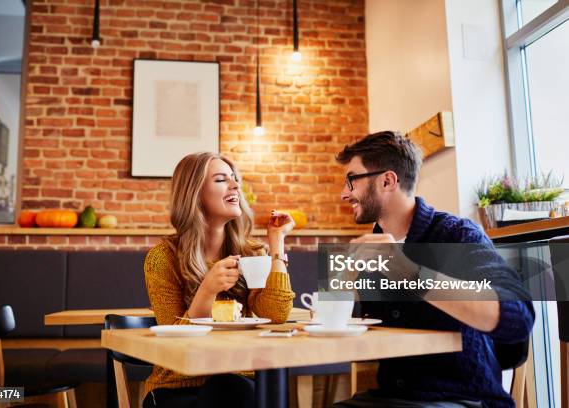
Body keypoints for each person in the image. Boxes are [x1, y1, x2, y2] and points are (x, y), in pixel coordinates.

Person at [333, 131, 534, 408]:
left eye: (351, 180)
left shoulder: (456, 235)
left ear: (387, 180)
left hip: (463, 399)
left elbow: (519, 317)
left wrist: (407, 270)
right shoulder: (371, 248)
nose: (344, 193)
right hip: (394, 398)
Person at [142, 152, 295, 408]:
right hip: (179, 389)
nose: (235, 185)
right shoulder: (163, 258)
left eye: (235, 179)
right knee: (231, 388)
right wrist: (208, 291)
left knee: (241, 386)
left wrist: (276, 242)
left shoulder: (252, 253)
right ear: (194, 193)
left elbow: (276, 314)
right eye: (221, 179)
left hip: (240, 380)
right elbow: (174, 346)